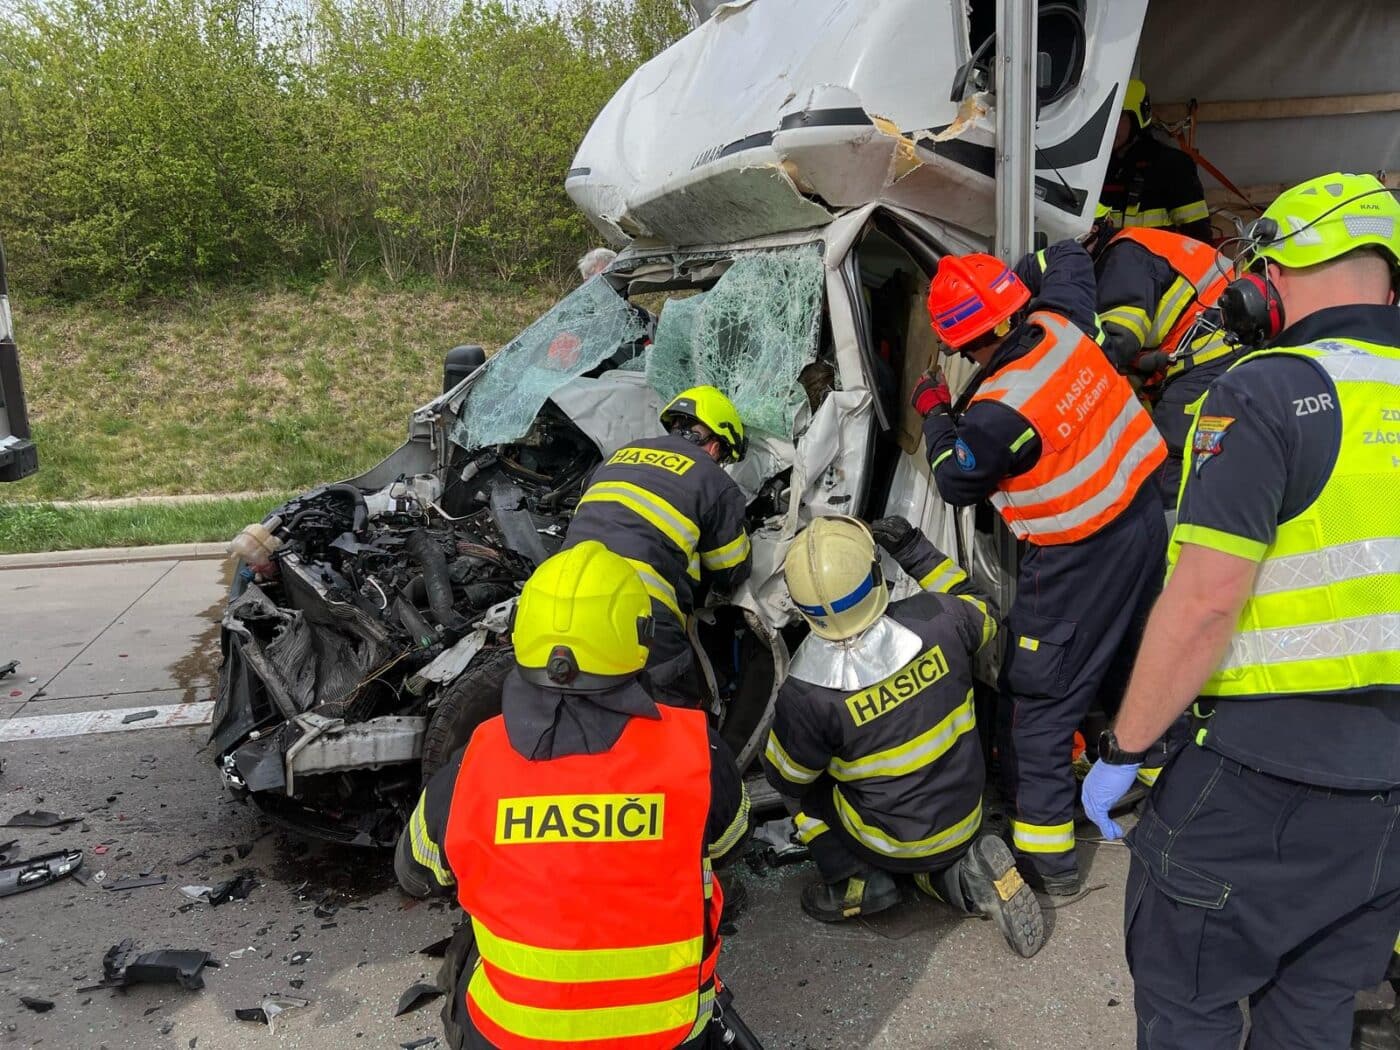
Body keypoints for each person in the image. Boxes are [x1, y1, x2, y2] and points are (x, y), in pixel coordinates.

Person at [1081, 171, 1400, 1049]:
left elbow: (1205, 601)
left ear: (1274, 275)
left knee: (1189, 1000)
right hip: (1385, 804)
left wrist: (1127, 747)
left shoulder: (1265, 391)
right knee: (1316, 1011)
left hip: (1259, 782)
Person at [395, 541, 751, 1049]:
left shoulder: (473, 765)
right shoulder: (697, 750)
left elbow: (415, 873)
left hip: (510, 1036)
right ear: (639, 636)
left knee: (471, 940)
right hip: (669, 1035)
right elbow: (731, 842)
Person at [914, 241, 1167, 895]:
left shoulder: (1000, 410)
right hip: (1139, 516)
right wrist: (1016, 279)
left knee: (1041, 703)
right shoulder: (1063, 320)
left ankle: (1048, 862)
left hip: (1078, 553)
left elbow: (956, 478)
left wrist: (934, 411)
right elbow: (1066, 257)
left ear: (973, 340)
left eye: (965, 348)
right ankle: (1157, 774)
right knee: (1131, 659)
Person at [762, 514, 1047, 957]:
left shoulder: (807, 695)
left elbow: (786, 778)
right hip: (965, 817)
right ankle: (969, 876)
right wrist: (915, 548)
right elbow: (984, 608)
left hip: (884, 842)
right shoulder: (941, 620)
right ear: (876, 577)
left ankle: (853, 879)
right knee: (936, 860)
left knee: (796, 783)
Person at [563, 385, 752, 704]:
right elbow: (730, 570)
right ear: (716, 446)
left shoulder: (619, 455)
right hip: (640, 612)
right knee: (676, 719)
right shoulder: (713, 479)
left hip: (559, 594)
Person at [1093, 224, 1245, 505]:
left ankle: (1174, 540)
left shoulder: (1122, 255)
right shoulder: (1139, 243)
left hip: (1211, 354)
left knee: (1168, 461)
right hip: (1230, 345)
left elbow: (1120, 340)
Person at [1099, 79, 1212, 242]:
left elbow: (1198, 238)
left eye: (1119, 116)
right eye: (1105, 115)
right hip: (1107, 265)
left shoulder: (1171, 165)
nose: (1110, 125)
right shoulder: (1096, 169)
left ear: (1138, 118)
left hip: (1158, 266)